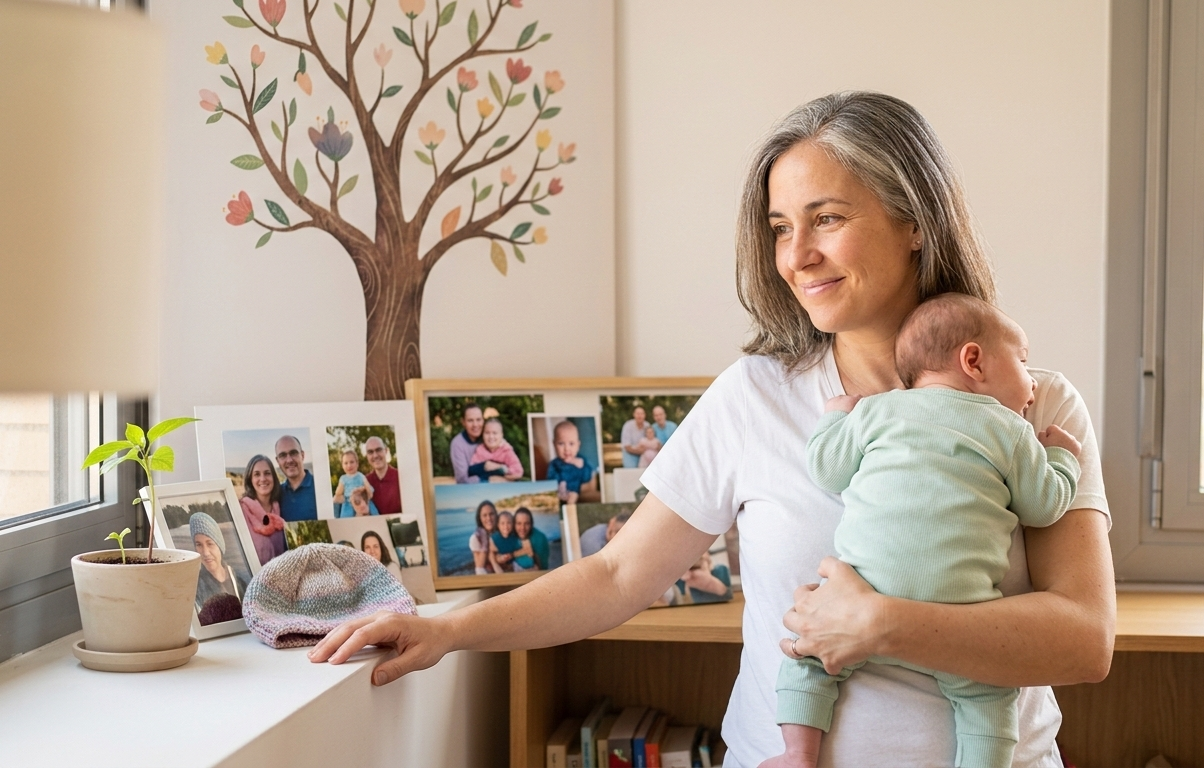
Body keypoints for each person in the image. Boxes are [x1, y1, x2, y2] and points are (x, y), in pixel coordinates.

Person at [311, 92, 1114, 767]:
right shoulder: (755, 397)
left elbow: (1083, 640)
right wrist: (445, 631)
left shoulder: (1031, 403)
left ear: (914, 220)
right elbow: (619, 575)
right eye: (778, 227)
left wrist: (885, 624)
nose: (796, 255)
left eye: (826, 218)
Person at [767, 295, 1081, 768]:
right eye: (1022, 361)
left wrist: (835, 415)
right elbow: (1043, 506)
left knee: (808, 659)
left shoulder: (877, 411)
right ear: (973, 360)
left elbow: (828, 469)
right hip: (958, 618)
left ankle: (797, 754)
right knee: (990, 700)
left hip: (856, 599)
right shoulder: (1009, 429)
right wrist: (1062, 459)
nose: (1033, 381)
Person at [189, 512, 249, 615]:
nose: (205, 552)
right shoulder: (195, 587)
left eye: (210, 544)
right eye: (199, 545)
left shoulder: (241, 578)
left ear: (219, 546)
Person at [239, 454, 287, 566]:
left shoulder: (279, 508)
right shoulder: (242, 510)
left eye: (267, 473)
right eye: (256, 474)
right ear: (250, 479)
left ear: (274, 477)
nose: (263, 479)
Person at [546, 420, 596, 503]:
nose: (567, 449)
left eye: (571, 444)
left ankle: (569, 512)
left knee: (573, 496)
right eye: (561, 444)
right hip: (560, 491)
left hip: (575, 491)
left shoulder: (581, 460)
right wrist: (559, 486)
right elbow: (550, 479)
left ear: (578, 446)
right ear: (554, 445)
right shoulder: (554, 464)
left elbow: (587, 477)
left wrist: (581, 466)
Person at [275, 435, 317, 521]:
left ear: (302, 455)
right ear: (278, 461)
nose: (289, 460)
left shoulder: (319, 487)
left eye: (293, 453)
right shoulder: (276, 494)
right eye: (283, 455)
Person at [468, 418, 523, 482]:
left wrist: (499, 468)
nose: (491, 436)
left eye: (495, 433)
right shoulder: (480, 450)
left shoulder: (506, 450)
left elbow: (518, 472)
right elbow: (471, 471)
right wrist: (484, 465)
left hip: (503, 488)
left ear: (501, 435)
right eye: (487, 433)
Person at [448, 404, 487, 484]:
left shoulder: (491, 437)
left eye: (478, 419)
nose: (475, 425)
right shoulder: (457, 444)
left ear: (483, 420)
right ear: (463, 422)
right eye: (470, 420)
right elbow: (462, 480)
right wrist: (488, 479)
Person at [364, 436, 402, 515]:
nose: (375, 455)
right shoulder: (364, 481)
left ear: (386, 451)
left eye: (378, 450)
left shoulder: (400, 476)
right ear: (367, 456)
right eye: (370, 452)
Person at [333, 449, 377, 517]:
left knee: (373, 512)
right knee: (346, 518)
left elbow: (369, 489)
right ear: (342, 465)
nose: (349, 465)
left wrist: (363, 489)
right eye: (346, 463)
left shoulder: (360, 476)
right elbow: (338, 493)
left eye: (352, 462)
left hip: (362, 500)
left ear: (357, 463)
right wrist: (339, 494)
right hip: (349, 502)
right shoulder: (343, 478)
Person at [469, 500, 499, 574]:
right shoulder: (475, 538)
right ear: (480, 518)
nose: (488, 518)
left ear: (496, 515)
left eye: (491, 514)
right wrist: (485, 541)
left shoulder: (502, 531)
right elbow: (479, 567)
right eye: (484, 515)